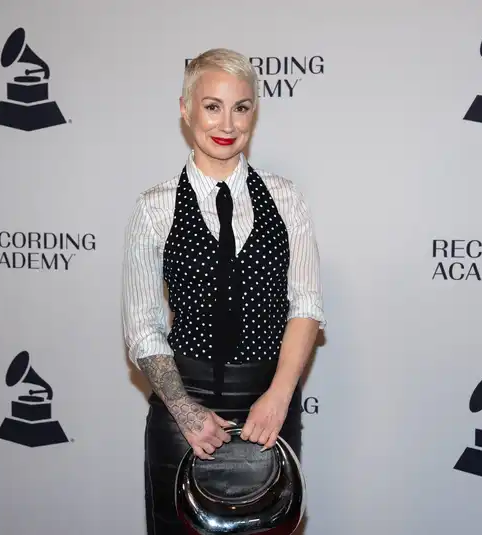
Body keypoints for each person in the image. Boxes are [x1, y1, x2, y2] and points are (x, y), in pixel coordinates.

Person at [121, 48, 326, 535]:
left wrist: (279, 397)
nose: (227, 123)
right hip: (183, 415)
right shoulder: (155, 208)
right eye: (212, 106)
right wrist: (187, 413)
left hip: (269, 410)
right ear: (185, 108)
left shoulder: (286, 197)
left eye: (241, 107)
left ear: (254, 111)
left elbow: (307, 305)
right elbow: (142, 328)